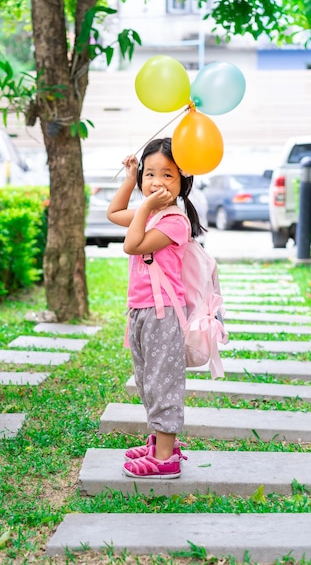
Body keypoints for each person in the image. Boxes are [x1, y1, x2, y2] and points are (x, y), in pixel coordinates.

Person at [107, 137, 206, 479]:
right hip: (141, 310)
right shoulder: (151, 213)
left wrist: (147, 207)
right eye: (150, 174)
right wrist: (130, 176)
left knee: (163, 383)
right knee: (148, 381)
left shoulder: (174, 221)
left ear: (182, 182)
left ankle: (166, 458)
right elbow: (114, 213)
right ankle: (160, 442)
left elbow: (132, 245)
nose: (157, 182)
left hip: (163, 314)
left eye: (167, 175)